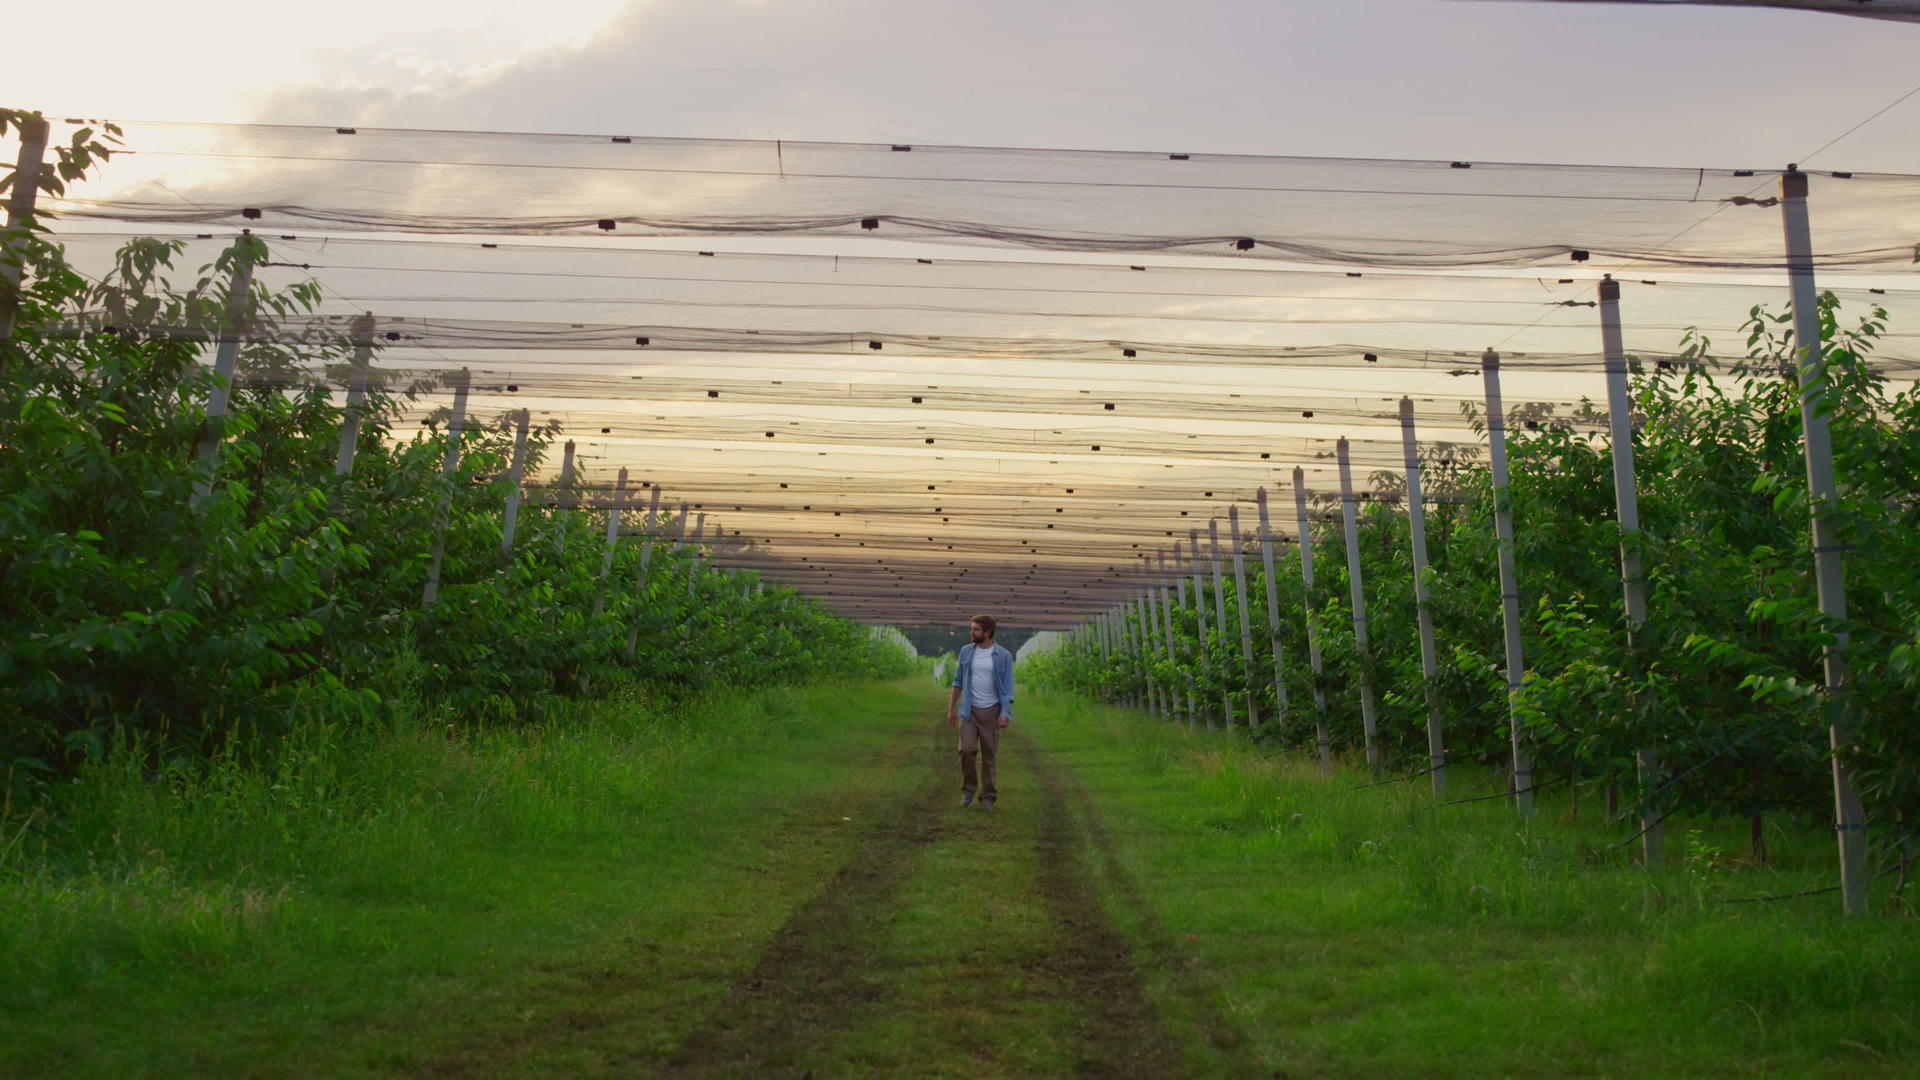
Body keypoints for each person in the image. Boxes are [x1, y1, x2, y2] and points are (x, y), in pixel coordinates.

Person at [947, 614, 1013, 809]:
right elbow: (958, 682)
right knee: (966, 750)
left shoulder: (1004, 656)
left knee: (989, 756)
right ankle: (968, 789)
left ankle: (988, 797)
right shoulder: (966, 652)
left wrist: (1005, 712)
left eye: (976, 629)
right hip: (969, 711)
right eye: (972, 628)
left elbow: (1008, 688)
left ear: (987, 632)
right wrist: (951, 709)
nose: (972, 632)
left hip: (992, 711)